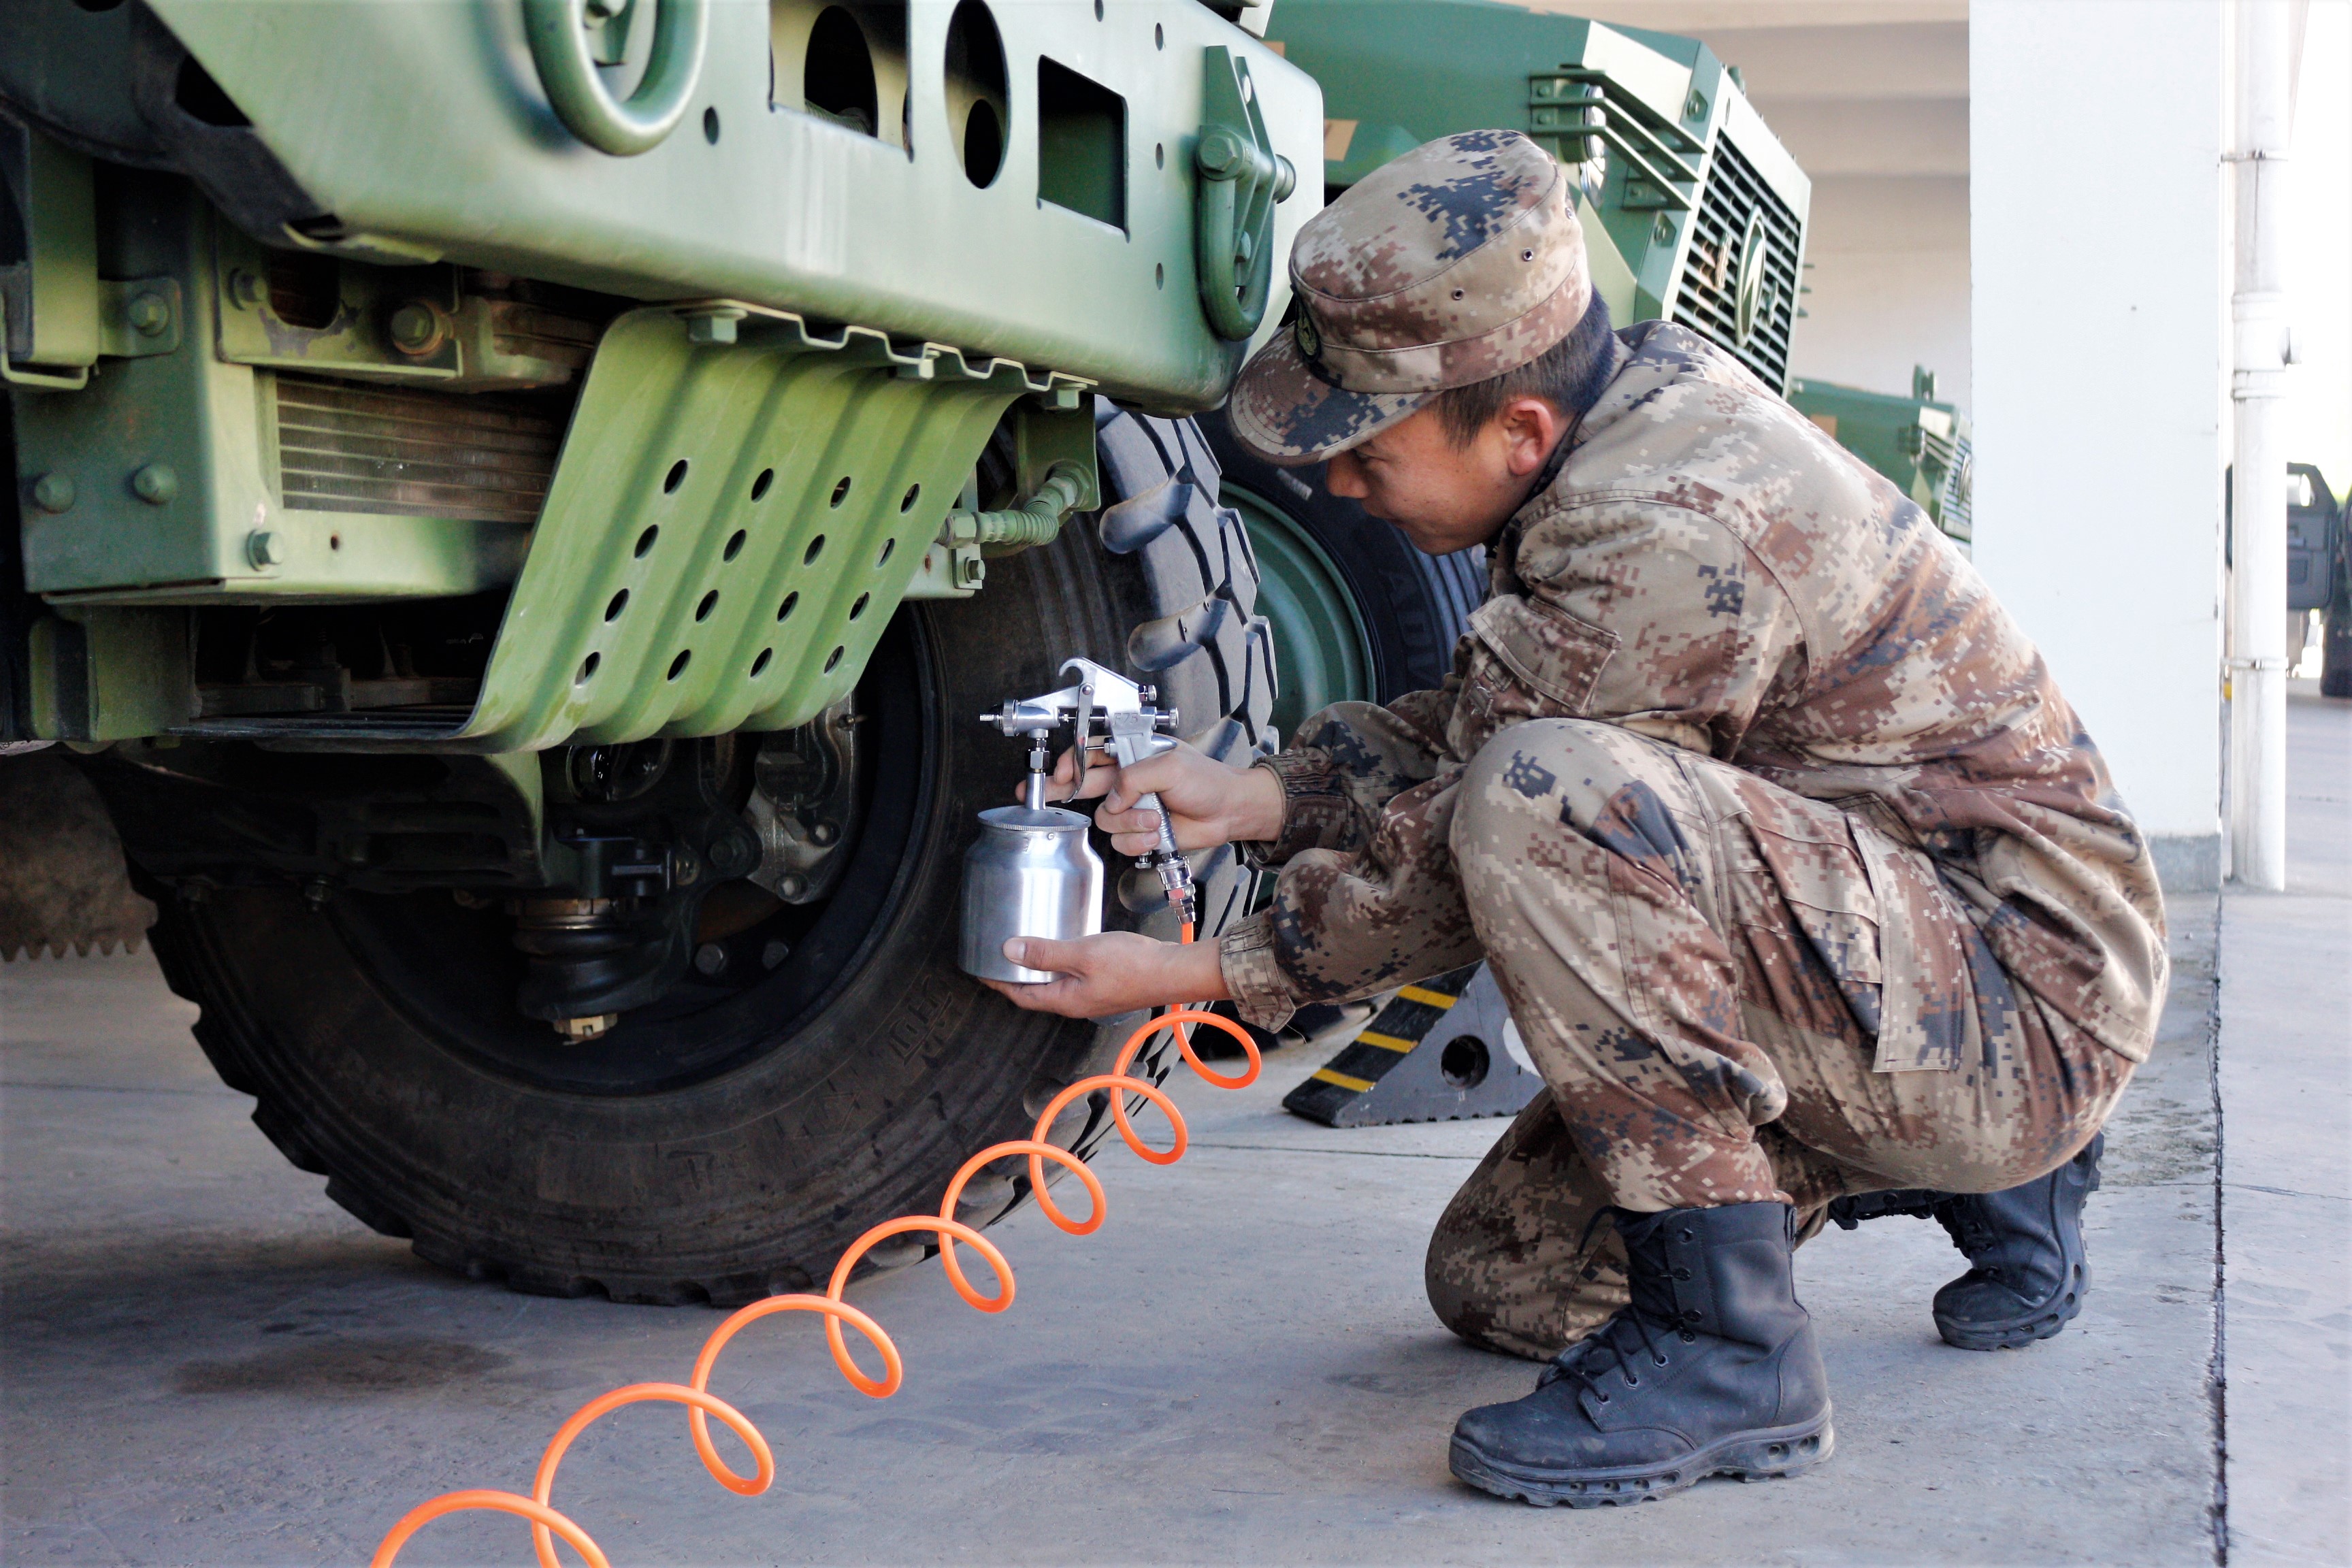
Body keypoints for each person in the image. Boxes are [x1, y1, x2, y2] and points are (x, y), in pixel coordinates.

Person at [983, 130, 2166, 1507]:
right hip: (1905, 945)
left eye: (1364, 447)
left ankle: (1737, 1357)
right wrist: (1256, 796)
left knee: (1549, 805)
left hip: (2022, 994)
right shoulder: (1608, 420)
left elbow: (1501, 815)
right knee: (1505, 1281)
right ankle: (1968, 1175)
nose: (1335, 484)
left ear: (1518, 430)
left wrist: (1207, 975)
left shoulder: (1668, 519)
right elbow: (1495, 715)